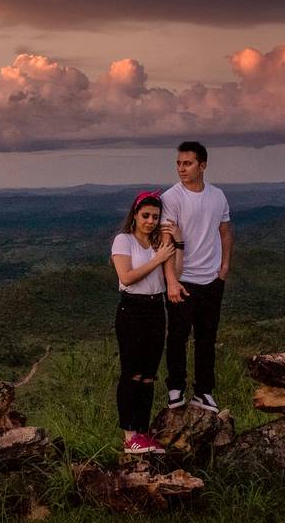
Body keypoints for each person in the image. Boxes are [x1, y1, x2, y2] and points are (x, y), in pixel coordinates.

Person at [161, 141, 233, 413]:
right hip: (183, 279)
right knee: (177, 337)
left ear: (202, 165)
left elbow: (225, 232)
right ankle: (175, 389)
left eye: (187, 163)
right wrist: (171, 280)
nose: (181, 168)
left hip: (212, 280)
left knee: (206, 338)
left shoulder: (218, 196)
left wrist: (224, 268)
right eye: (179, 163)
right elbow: (166, 242)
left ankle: (204, 391)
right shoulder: (171, 198)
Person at [110, 190, 182, 454]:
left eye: (155, 217)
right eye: (146, 215)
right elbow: (126, 277)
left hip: (156, 308)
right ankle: (130, 436)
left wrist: (177, 244)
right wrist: (157, 259)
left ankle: (143, 432)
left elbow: (176, 274)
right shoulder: (124, 240)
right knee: (132, 373)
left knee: (149, 376)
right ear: (135, 215)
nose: (151, 221)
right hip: (132, 309)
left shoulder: (157, 243)